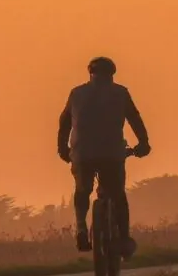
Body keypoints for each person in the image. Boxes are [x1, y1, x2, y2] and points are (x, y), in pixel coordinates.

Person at [57, 56, 151, 255]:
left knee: (82, 190)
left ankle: (81, 226)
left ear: (90, 73)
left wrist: (63, 149)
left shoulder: (77, 93)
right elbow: (135, 119)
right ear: (112, 74)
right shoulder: (120, 93)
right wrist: (143, 143)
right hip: (112, 154)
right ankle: (123, 239)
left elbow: (64, 122)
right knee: (118, 195)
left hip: (82, 153)